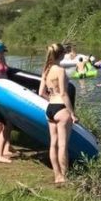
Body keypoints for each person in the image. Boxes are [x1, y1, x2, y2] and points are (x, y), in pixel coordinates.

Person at [38, 43, 78, 184]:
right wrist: (72, 113)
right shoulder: (60, 71)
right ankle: (64, 176)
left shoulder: (46, 71)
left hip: (50, 108)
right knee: (62, 146)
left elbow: (41, 92)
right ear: (61, 55)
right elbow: (64, 93)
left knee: (53, 144)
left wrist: (52, 100)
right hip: (61, 107)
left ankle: (57, 176)